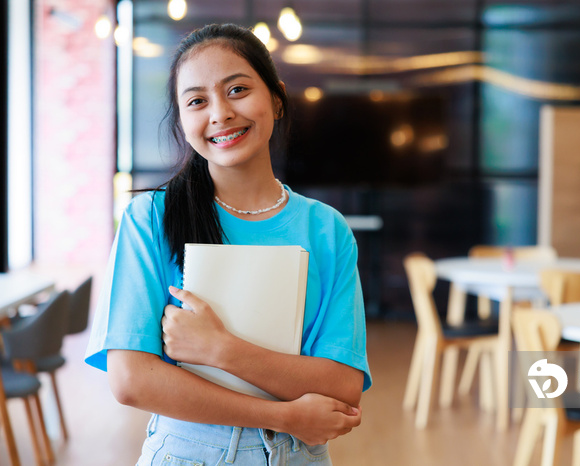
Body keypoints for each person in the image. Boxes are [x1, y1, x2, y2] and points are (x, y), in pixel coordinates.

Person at [85, 23, 372, 465]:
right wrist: (285, 415)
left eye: (237, 89)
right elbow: (131, 380)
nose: (219, 113)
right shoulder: (150, 218)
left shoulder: (326, 228)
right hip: (188, 452)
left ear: (276, 99)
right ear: (182, 121)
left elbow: (342, 384)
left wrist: (221, 349)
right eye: (197, 101)